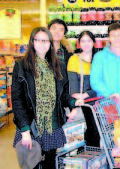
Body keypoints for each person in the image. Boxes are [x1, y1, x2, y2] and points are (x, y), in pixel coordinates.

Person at [12, 27, 75, 169]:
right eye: (38, 40)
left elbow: (63, 94)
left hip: (52, 125)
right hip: (31, 126)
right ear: (32, 42)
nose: (42, 43)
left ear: (50, 43)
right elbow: (17, 100)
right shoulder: (22, 66)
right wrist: (25, 130)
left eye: (45, 40)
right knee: (31, 164)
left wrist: (73, 103)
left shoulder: (58, 66)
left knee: (50, 163)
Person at [67, 31, 100, 147]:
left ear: (94, 43)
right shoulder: (74, 60)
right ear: (79, 43)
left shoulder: (99, 60)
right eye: (83, 41)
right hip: (82, 106)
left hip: (97, 105)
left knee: (96, 136)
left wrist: (86, 95)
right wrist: (74, 107)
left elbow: (101, 85)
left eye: (89, 41)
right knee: (79, 141)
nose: (86, 44)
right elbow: (73, 88)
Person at [90, 23, 120, 106]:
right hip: (105, 106)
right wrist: (110, 94)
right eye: (113, 35)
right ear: (109, 38)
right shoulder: (99, 57)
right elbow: (95, 81)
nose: (116, 38)